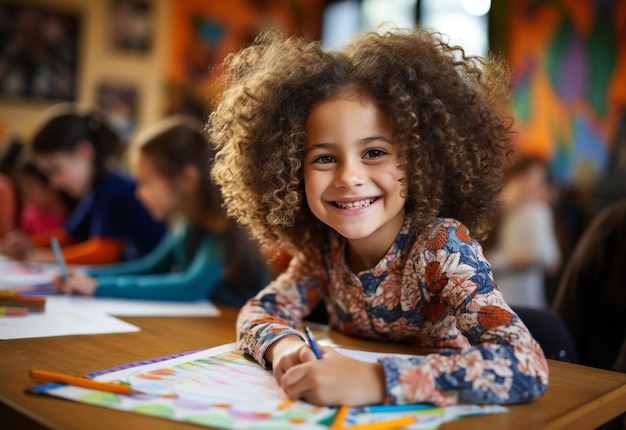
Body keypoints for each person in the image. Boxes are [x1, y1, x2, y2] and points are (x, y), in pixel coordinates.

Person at [209, 28, 548, 407]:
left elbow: (526, 364)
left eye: (374, 152)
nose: (349, 177)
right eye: (324, 158)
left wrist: (375, 380)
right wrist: (284, 347)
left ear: (421, 160)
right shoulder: (325, 250)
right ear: (290, 171)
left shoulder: (441, 247)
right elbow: (258, 311)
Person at [55, 115, 270, 306]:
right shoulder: (187, 223)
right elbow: (150, 267)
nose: (139, 194)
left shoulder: (224, 227)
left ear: (187, 179)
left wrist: (97, 288)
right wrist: (87, 275)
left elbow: (190, 287)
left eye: (146, 182)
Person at [0, 105, 165, 264]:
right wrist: (30, 244)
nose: (53, 183)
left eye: (55, 169)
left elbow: (105, 252)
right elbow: (69, 236)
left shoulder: (114, 187)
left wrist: (45, 257)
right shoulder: (95, 189)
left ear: (84, 152)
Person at [485, 156, 561, 309]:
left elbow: (551, 258)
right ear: (513, 178)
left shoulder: (536, 210)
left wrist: (506, 260)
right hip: (504, 301)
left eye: (539, 181)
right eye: (528, 178)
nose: (533, 186)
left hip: (517, 301)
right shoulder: (495, 212)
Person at [16, 158, 74, 236]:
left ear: (51, 184)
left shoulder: (74, 211)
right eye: (24, 191)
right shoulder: (29, 214)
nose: (28, 196)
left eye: (31, 188)